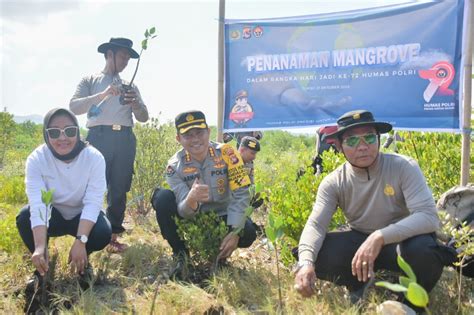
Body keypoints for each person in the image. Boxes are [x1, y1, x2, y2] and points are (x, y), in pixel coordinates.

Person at [294, 110, 456, 308]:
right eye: (352, 141)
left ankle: (409, 305)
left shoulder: (403, 167)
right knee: (314, 252)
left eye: (369, 137)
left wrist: (379, 236)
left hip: (400, 242)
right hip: (359, 239)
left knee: (426, 251)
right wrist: (306, 263)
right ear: (338, 146)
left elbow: (428, 217)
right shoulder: (334, 182)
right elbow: (316, 225)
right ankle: (357, 285)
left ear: (379, 139)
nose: (362, 147)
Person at [151, 110, 257, 277]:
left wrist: (235, 231)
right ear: (178, 139)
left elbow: (241, 193)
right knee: (162, 197)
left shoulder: (228, 154)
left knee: (248, 231)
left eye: (199, 132)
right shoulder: (173, 167)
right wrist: (191, 199)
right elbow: (183, 212)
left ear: (208, 132)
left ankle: (220, 255)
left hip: (222, 216)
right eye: (188, 135)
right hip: (193, 219)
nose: (195, 139)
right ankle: (181, 256)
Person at [16, 108, 111, 291]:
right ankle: (43, 266)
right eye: (54, 132)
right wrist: (39, 247)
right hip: (54, 215)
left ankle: (83, 260)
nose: (62, 138)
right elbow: (39, 204)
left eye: (69, 131)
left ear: (77, 131)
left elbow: (93, 202)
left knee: (102, 232)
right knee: (24, 217)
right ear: (46, 134)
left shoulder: (94, 158)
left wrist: (81, 241)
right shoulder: (37, 159)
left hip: (82, 215)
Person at [69, 37, 149, 252]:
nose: (125, 62)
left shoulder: (129, 86)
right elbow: (74, 107)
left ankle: (112, 236)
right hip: (98, 137)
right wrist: (102, 95)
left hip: (124, 139)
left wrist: (136, 103)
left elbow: (143, 117)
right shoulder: (90, 80)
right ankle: (87, 235)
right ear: (109, 54)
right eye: (122, 56)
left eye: (128, 58)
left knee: (119, 187)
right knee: (93, 186)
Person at [238, 136, 264, 209]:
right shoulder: (230, 162)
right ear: (242, 150)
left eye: (255, 154)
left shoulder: (250, 163)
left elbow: (251, 183)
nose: (254, 157)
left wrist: (253, 198)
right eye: (252, 153)